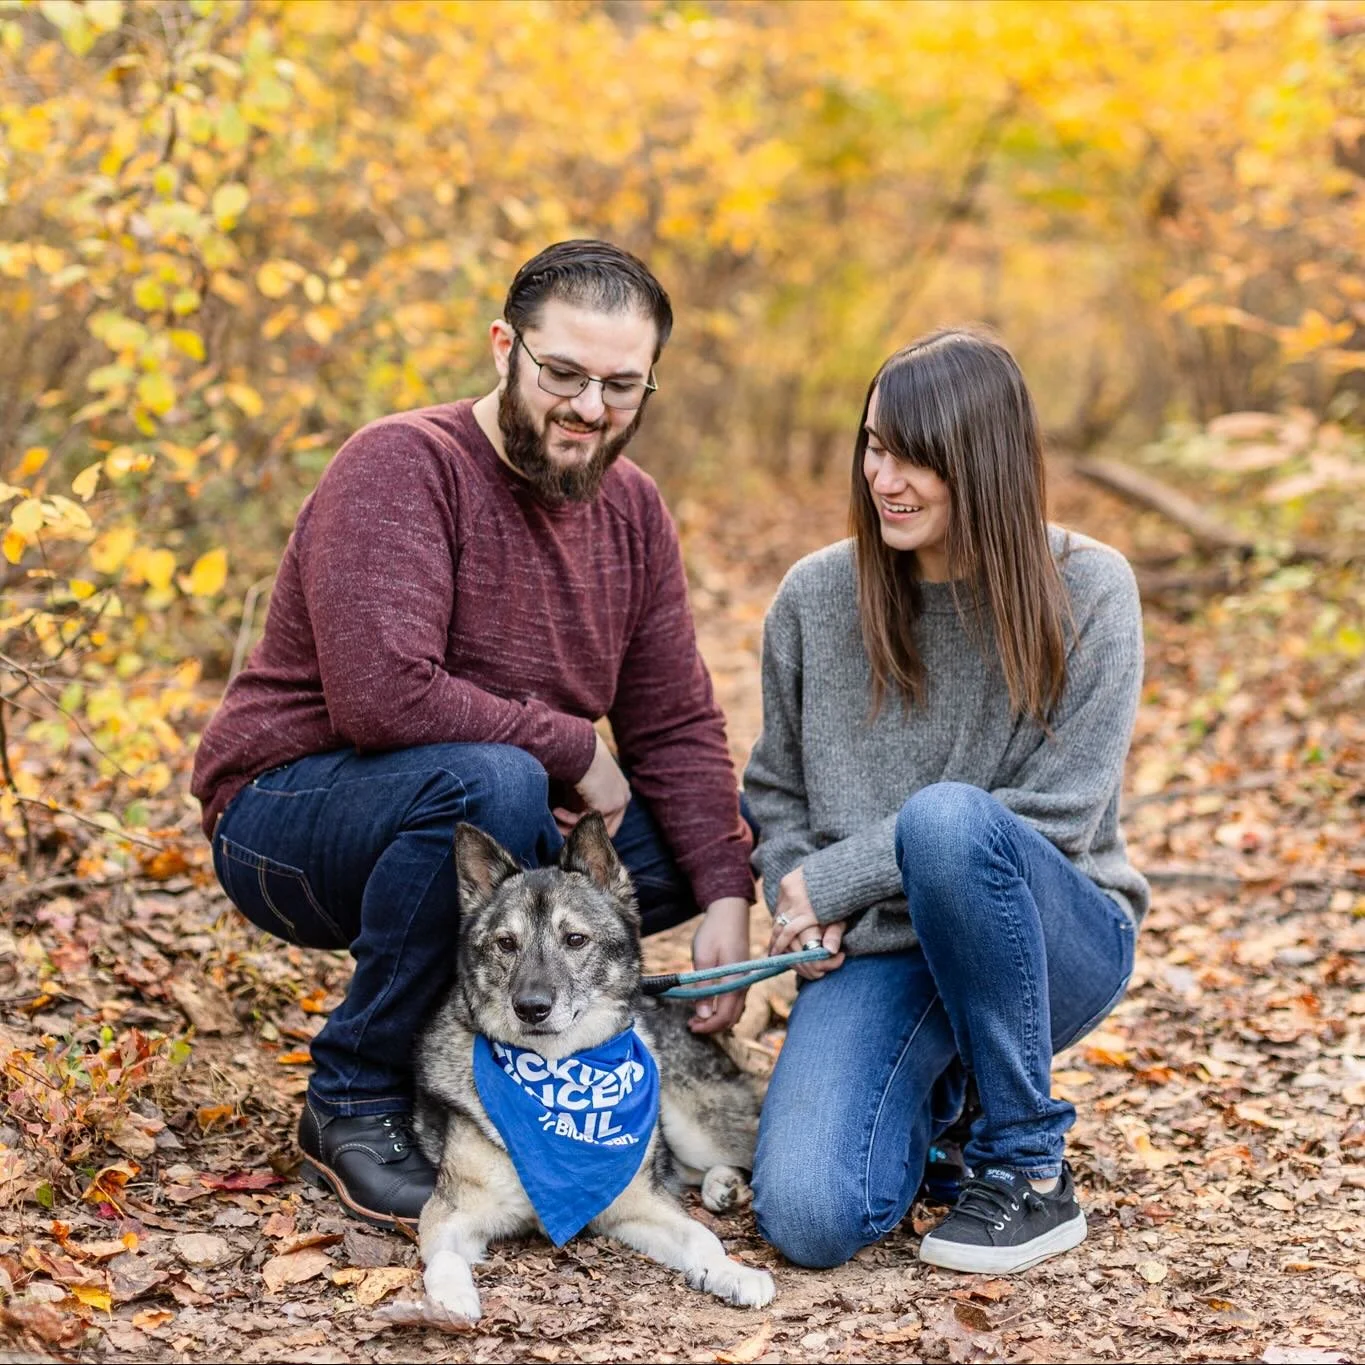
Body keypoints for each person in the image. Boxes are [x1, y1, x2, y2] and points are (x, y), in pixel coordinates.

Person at [190, 240, 756, 1228]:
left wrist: (725, 894)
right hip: (292, 819)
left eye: (622, 386)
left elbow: (674, 725)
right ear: (505, 347)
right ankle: (355, 1094)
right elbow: (382, 696)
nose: (590, 408)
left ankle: (507, 1051)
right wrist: (574, 748)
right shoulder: (402, 466)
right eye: (564, 374)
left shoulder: (633, 511)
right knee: (495, 784)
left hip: (491, 815)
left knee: (697, 828)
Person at [745, 328, 1147, 1275]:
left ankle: (1023, 1162)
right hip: (885, 953)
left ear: (984, 460)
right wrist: (795, 900)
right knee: (809, 1216)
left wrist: (833, 878)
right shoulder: (814, 597)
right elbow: (774, 790)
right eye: (875, 445)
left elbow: (1055, 814)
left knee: (948, 820)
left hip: (1053, 937)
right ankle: (941, 1107)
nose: (885, 477)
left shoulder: (1088, 589)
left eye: (916, 456)